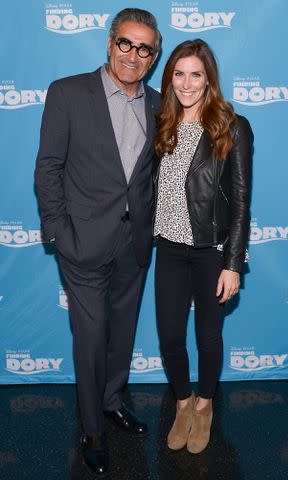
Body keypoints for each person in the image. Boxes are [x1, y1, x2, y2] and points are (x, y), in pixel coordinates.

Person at [35, 8, 161, 476]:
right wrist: (57, 231)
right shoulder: (67, 92)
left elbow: (154, 176)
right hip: (82, 241)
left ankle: (112, 400)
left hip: (134, 243)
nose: (133, 55)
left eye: (144, 48)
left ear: (152, 56)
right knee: (90, 338)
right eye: (126, 43)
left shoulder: (158, 103)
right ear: (110, 43)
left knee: (121, 332)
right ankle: (91, 428)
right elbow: (48, 167)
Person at [153, 39, 253, 454]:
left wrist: (233, 262)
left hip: (211, 250)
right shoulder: (162, 121)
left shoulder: (232, 126)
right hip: (169, 248)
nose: (187, 83)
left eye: (196, 74)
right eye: (179, 73)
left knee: (208, 337)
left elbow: (242, 200)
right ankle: (182, 404)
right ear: (170, 77)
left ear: (209, 79)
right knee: (170, 335)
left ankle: (205, 404)